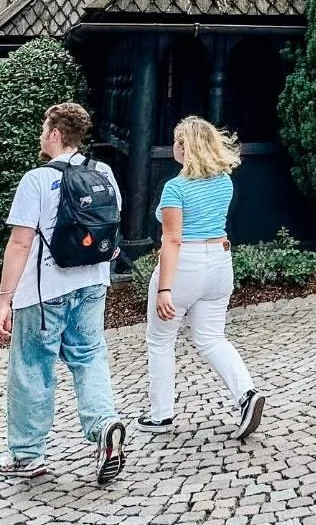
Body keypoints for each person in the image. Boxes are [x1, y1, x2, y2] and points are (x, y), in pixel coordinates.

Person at [0, 103, 126, 483]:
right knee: (89, 358)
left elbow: (20, 243)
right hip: (92, 284)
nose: (42, 135)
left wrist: (4, 297)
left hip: (44, 291)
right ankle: (104, 425)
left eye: (44, 128)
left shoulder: (36, 180)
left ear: (55, 134)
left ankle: (27, 456)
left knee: (32, 369)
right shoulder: (103, 172)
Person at [139, 117, 265, 441]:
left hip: (185, 265)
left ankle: (160, 414)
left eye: (177, 141)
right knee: (212, 338)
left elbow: (172, 240)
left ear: (187, 147)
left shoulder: (175, 189)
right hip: (220, 262)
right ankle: (247, 394)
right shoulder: (224, 181)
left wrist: (165, 289)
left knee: (161, 339)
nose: (173, 147)